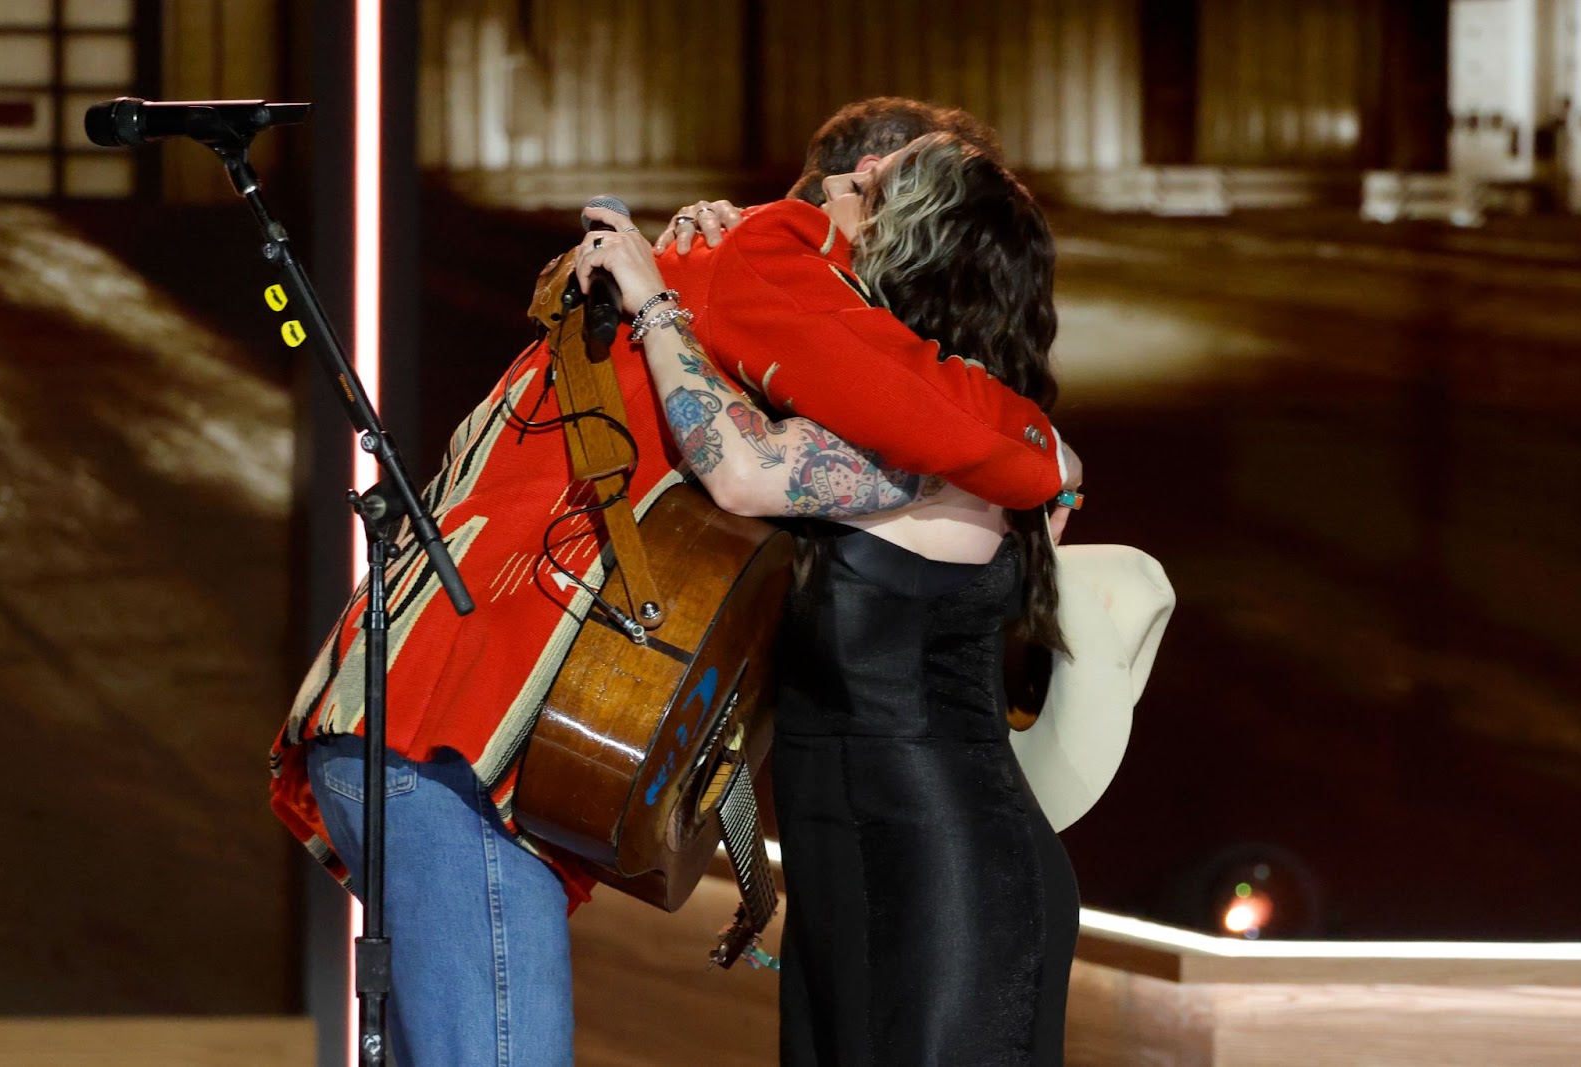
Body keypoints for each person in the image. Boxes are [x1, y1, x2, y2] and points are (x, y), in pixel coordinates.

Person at [270, 99, 1071, 1065]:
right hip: (451, 743)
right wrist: (1054, 462)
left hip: (415, 732)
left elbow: (950, 441)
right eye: (861, 183)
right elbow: (1012, 458)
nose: (834, 195)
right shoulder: (764, 272)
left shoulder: (771, 336)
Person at [578, 131, 1078, 1065]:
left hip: (949, 879)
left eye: (871, 187)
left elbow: (739, 470)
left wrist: (656, 302)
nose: (842, 185)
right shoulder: (925, 431)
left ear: (911, 251)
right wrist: (706, 268)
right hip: (846, 858)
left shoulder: (933, 455)